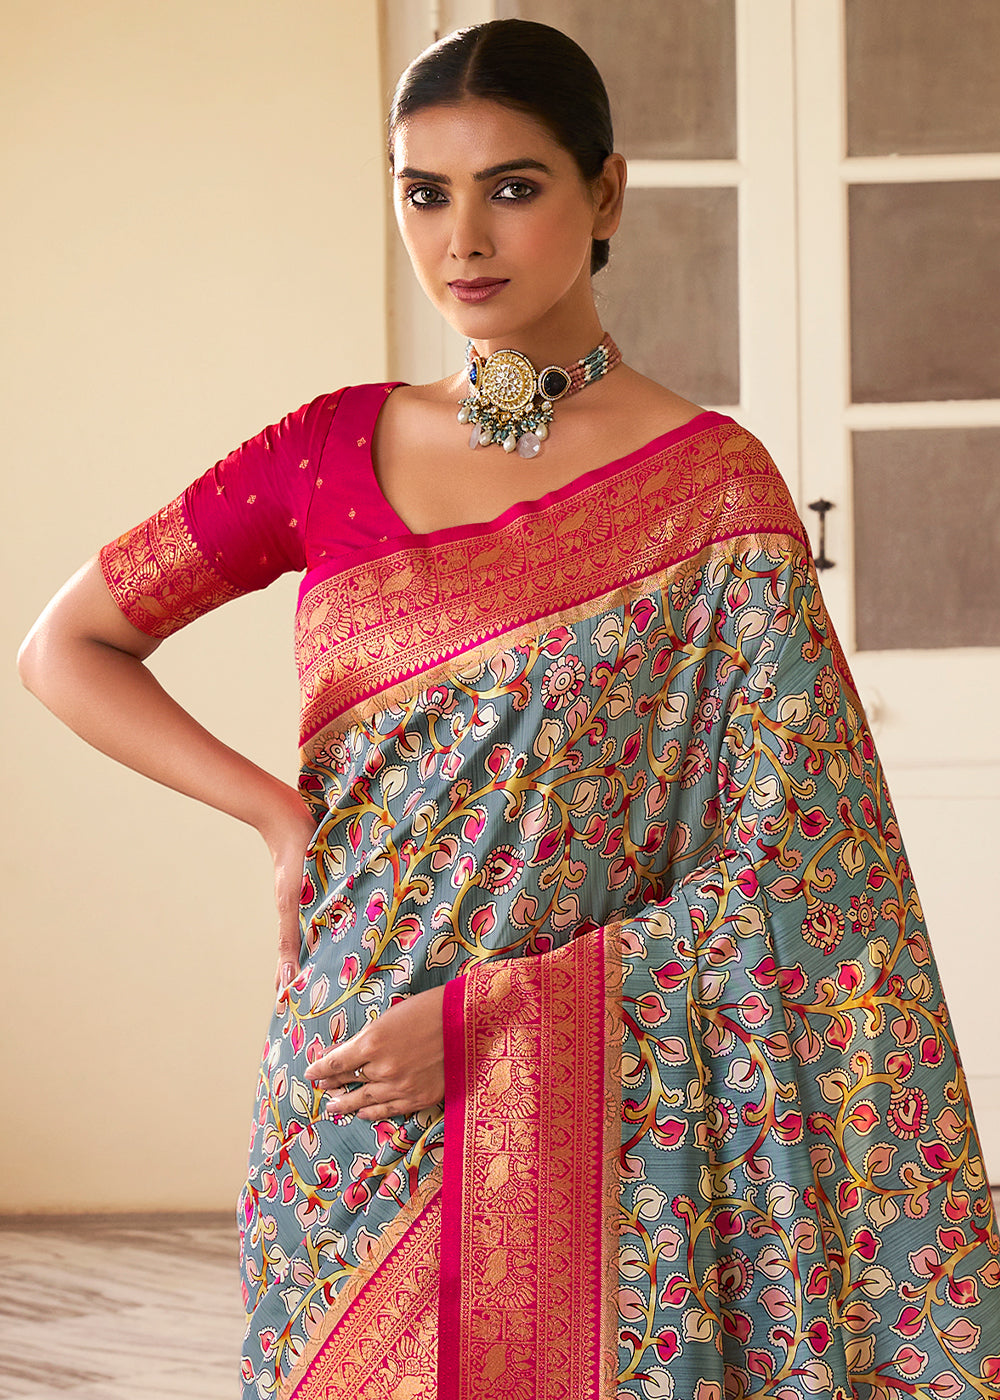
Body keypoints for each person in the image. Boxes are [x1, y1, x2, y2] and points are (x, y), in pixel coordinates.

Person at [18, 18, 1000, 1400]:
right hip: (353, 1081)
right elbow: (66, 648)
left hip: (606, 1115)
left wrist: (498, 1020)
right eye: (425, 193)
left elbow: (809, 869)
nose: (463, 238)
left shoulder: (712, 493)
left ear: (606, 195)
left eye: (514, 188)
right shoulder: (325, 449)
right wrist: (278, 821)